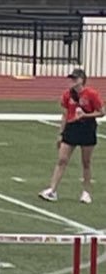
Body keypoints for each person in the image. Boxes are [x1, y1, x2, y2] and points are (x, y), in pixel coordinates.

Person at [42, 68, 102, 203]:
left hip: (87, 128)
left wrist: (86, 115)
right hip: (71, 128)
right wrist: (61, 133)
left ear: (81, 80)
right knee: (62, 159)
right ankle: (52, 190)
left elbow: (101, 112)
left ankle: (86, 192)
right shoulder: (67, 95)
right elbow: (64, 114)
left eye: (75, 78)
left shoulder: (91, 94)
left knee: (86, 162)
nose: (72, 81)